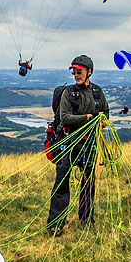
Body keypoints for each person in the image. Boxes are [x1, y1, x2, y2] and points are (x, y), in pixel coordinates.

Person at [47, 54, 109, 235]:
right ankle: (55, 224)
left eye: (79, 72)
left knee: (89, 184)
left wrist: (102, 120)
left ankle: (86, 219)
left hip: (89, 144)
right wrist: (87, 118)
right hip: (69, 144)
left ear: (89, 72)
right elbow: (64, 117)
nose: (76, 75)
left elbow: (105, 112)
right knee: (62, 185)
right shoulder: (68, 93)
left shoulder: (97, 92)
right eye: (74, 72)